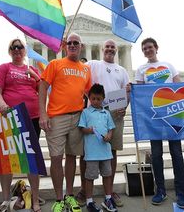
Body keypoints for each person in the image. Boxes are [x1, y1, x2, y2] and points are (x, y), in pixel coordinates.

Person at [0, 38, 42, 212]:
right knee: (7, 160)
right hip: (10, 116)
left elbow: (43, 91)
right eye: (14, 47)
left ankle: (34, 199)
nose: (17, 49)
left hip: (32, 117)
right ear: (10, 51)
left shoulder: (32, 70)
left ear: (25, 51)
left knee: (31, 160)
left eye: (20, 47)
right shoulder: (4, 68)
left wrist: (37, 77)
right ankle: (5, 200)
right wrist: (2, 105)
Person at [39, 32, 91, 212]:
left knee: (71, 157)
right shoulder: (55, 64)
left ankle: (69, 195)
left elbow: (91, 93)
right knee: (55, 158)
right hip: (56, 117)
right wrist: (43, 114)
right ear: (65, 46)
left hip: (77, 116)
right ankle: (59, 198)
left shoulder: (86, 69)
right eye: (70, 43)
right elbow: (43, 86)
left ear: (81, 46)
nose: (73, 45)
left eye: (76, 43)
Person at [134, 37, 184, 209]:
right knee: (156, 155)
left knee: (177, 154)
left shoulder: (168, 65)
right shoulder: (141, 69)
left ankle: (181, 193)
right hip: (154, 118)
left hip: (173, 115)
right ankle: (161, 191)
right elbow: (140, 93)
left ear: (156, 48)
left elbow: (179, 87)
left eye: (150, 47)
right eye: (144, 49)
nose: (148, 50)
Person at [76, 39, 129, 207]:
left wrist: (124, 106)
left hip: (114, 111)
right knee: (86, 152)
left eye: (113, 47)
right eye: (108, 46)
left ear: (116, 49)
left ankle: (109, 191)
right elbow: (77, 72)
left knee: (111, 151)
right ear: (102, 48)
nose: (110, 49)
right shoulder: (93, 64)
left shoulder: (122, 70)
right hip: (93, 110)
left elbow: (127, 91)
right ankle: (85, 190)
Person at [78, 83, 118, 212]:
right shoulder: (85, 112)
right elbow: (81, 128)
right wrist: (87, 130)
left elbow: (111, 129)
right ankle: (90, 201)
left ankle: (108, 199)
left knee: (107, 175)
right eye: (93, 98)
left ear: (103, 99)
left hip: (105, 152)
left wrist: (109, 135)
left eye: (99, 99)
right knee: (90, 177)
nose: (96, 101)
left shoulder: (106, 113)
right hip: (91, 153)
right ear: (89, 98)